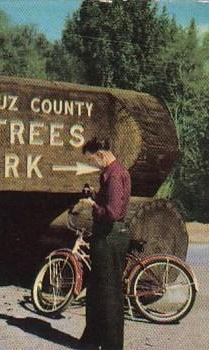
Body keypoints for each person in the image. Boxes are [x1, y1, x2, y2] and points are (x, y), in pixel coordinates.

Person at [79, 137, 131, 350]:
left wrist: (93, 205)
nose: (94, 164)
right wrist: (96, 196)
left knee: (109, 294)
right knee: (97, 290)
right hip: (106, 236)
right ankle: (93, 339)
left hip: (110, 236)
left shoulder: (116, 174)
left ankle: (112, 346)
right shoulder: (111, 173)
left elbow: (113, 212)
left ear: (100, 153)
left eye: (93, 159)